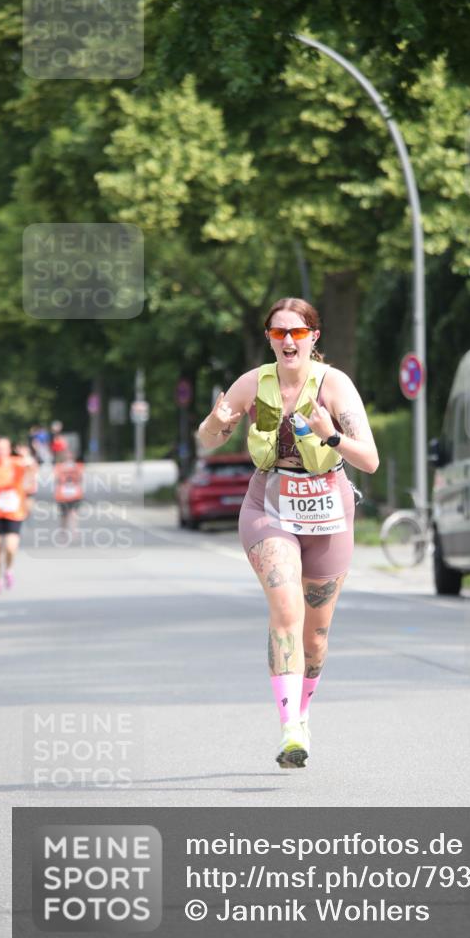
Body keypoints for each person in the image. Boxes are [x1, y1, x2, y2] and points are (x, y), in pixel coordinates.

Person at [198, 297, 379, 769]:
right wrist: (216, 424)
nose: (287, 341)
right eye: (279, 333)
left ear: (313, 337)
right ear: (269, 339)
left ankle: (301, 711)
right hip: (270, 505)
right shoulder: (253, 384)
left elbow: (370, 459)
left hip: (328, 510)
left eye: (297, 333)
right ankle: (290, 729)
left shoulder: (334, 386)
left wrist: (330, 433)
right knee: (285, 608)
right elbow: (207, 436)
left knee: (316, 637)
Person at [0, 437, 28, 593]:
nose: (1, 451)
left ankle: (9, 570)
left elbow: (31, 468)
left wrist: (26, 457)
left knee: (11, 548)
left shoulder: (17, 463)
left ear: (9, 449)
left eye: (3, 448)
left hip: (14, 512)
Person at [53, 449, 84, 536]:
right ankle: (64, 530)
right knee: (64, 514)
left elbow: (80, 478)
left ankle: (74, 530)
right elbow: (57, 479)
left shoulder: (77, 466)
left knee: (73, 513)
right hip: (63, 494)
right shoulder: (59, 467)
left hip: (74, 494)